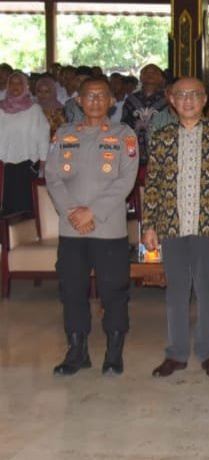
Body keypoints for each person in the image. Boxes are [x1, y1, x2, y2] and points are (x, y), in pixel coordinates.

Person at [142, 77, 209, 379]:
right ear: (171, 100)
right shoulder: (161, 137)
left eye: (195, 95)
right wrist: (149, 225)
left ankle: (208, 352)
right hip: (171, 224)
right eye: (181, 95)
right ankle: (175, 354)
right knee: (176, 290)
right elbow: (153, 184)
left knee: (206, 289)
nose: (188, 100)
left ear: (205, 100)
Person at [44, 76, 139, 376]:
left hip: (108, 227)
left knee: (114, 291)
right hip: (71, 229)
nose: (95, 101)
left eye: (101, 96)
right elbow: (53, 177)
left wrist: (92, 212)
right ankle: (76, 351)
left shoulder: (125, 136)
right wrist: (73, 212)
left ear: (112, 101)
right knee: (72, 290)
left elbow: (126, 180)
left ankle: (113, 353)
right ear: (78, 101)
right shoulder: (63, 134)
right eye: (89, 96)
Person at [0, 72, 49, 216]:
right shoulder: (1, 109)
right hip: (4, 165)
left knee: (26, 206)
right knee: (6, 206)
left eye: (19, 83)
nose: (15, 86)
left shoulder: (34, 109)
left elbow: (43, 135)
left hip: (27, 164)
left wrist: (43, 162)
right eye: (12, 83)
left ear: (25, 86)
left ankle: (25, 237)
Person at [120, 63, 168, 164]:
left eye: (154, 72)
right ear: (140, 77)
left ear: (161, 79)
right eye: (146, 72)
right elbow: (124, 125)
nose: (150, 74)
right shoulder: (131, 99)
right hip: (134, 149)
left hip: (160, 149)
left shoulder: (168, 99)